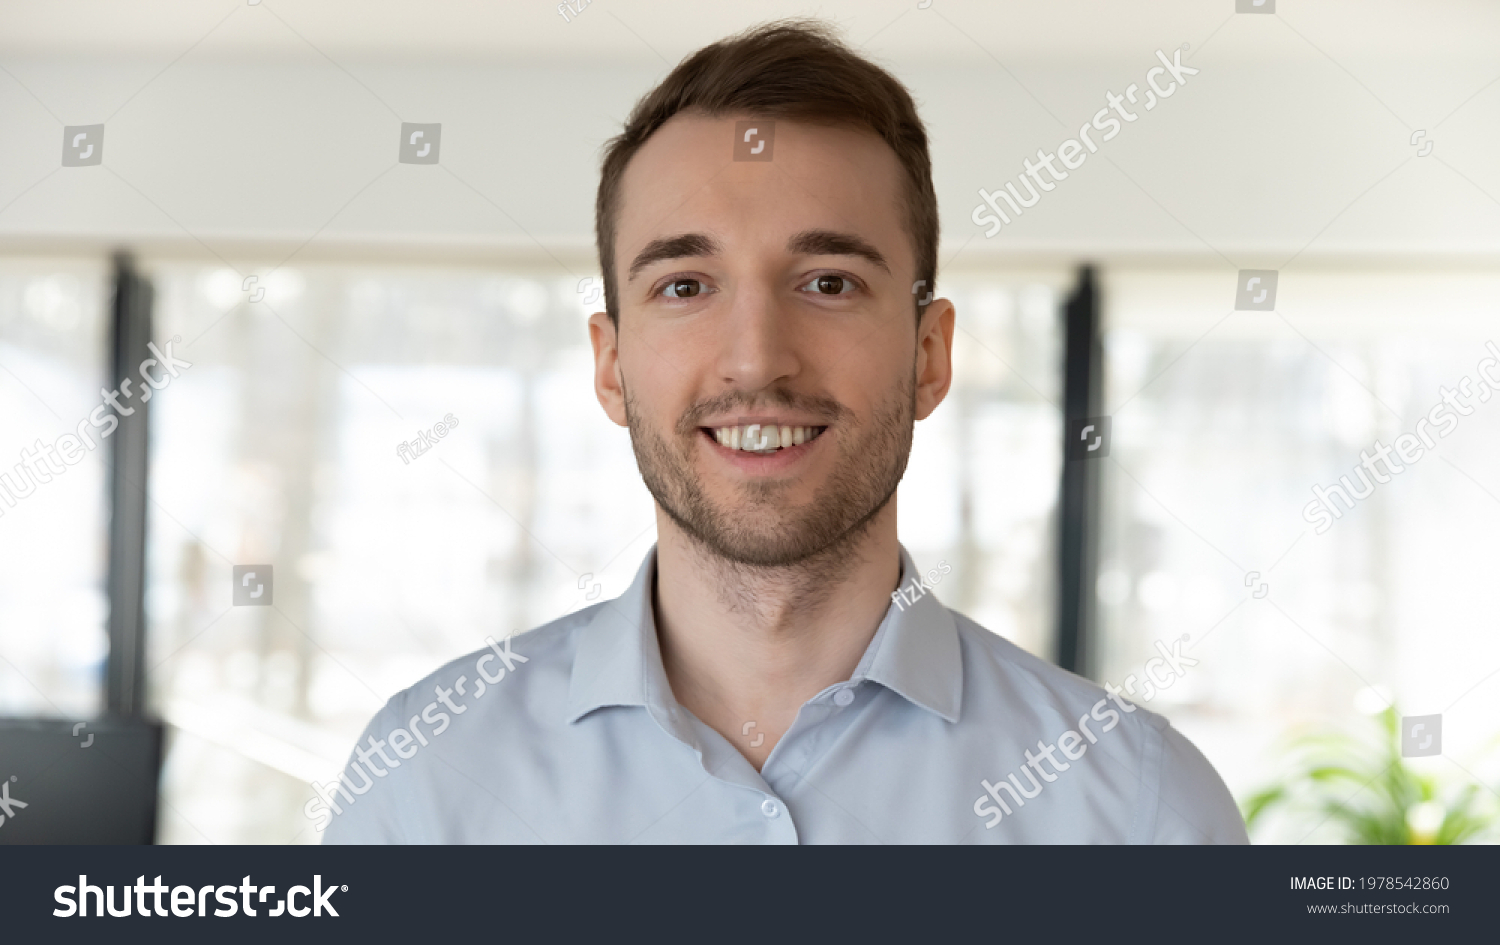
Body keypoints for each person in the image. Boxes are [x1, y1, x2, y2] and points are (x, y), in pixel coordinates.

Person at [321, 19, 1247, 844]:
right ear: (610, 365)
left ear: (929, 354)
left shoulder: (1139, 810)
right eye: (685, 287)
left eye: (829, 282)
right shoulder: (422, 787)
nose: (757, 361)